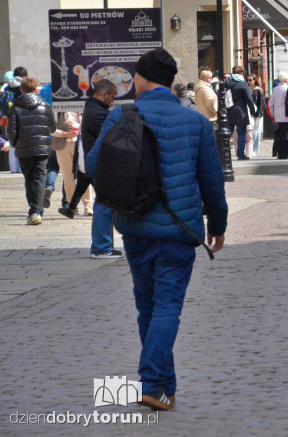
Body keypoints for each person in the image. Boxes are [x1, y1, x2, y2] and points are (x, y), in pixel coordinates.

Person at [87, 48, 227, 411]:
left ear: (143, 79)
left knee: (147, 306)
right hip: (179, 229)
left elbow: (92, 164)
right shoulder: (195, 122)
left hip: (136, 224)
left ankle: (160, 386)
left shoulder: (122, 115)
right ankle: (156, 384)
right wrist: (218, 224)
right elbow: (212, 180)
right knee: (167, 305)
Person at [66, 80, 117, 236]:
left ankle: (102, 243)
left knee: (103, 203)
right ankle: (102, 244)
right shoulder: (97, 113)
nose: (113, 100)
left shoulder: (94, 108)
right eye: (113, 96)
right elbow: (113, 137)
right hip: (100, 164)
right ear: (104, 94)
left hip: (97, 163)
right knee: (104, 206)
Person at [5, 76, 55, 224]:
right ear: (35, 89)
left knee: (29, 179)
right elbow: (52, 128)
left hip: (23, 148)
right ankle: (37, 211)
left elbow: (11, 130)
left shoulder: (15, 106)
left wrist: (15, 143)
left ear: (22, 89)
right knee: (39, 178)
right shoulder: (45, 105)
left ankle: (34, 210)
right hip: (42, 148)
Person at [52, 108, 83, 219]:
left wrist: (77, 126)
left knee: (85, 175)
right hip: (63, 146)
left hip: (80, 143)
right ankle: (72, 207)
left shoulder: (82, 108)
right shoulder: (57, 110)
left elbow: (90, 125)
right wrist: (65, 134)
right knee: (68, 177)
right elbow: (51, 129)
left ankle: (88, 206)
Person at [225, 66, 256, 160]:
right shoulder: (243, 84)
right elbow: (249, 99)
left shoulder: (227, 83)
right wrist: (252, 110)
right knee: (241, 133)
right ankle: (240, 154)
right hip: (241, 111)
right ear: (242, 73)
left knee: (228, 131)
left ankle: (222, 151)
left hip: (229, 109)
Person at [269, 71, 288, 159]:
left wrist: (273, 115)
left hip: (278, 114)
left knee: (281, 134)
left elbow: (271, 103)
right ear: (286, 79)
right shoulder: (287, 89)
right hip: (286, 114)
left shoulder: (275, 89)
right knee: (286, 134)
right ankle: (285, 153)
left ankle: (280, 153)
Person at [247, 75, 265, 157]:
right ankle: (251, 149)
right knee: (251, 131)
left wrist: (257, 114)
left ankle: (255, 150)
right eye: (248, 80)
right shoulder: (248, 89)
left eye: (250, 80)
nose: (249, 82)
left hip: (257, 114)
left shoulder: (258, 90)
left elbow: (261, 104)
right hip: (249, 113)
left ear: (255, 80)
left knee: (256, 132)